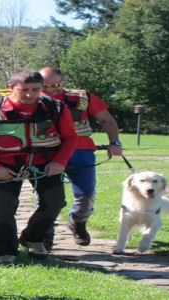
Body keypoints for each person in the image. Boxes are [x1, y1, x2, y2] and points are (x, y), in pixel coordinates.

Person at [0, 69, 77, 264]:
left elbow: (70, 138)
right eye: (24, 89)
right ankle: (6, 251)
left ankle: (32, 237)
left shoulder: (56, 108)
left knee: (54, 202)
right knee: (4, 209)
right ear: (11, 88)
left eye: (36, 89)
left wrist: (60, 161)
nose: (30, 95)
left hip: (45, 164)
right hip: (5, 166)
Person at [39, 67, 122, 247]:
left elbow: (106, 119)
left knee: (86, 193)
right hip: (47, 151)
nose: (51, 90)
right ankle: (44, 233)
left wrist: (114, 142)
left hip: (80, 151)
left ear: (64, 80)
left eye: (56, 85)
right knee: (46, 195)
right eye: (45, 86)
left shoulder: (82, 97)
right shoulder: (32, 99)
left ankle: (78, 222)